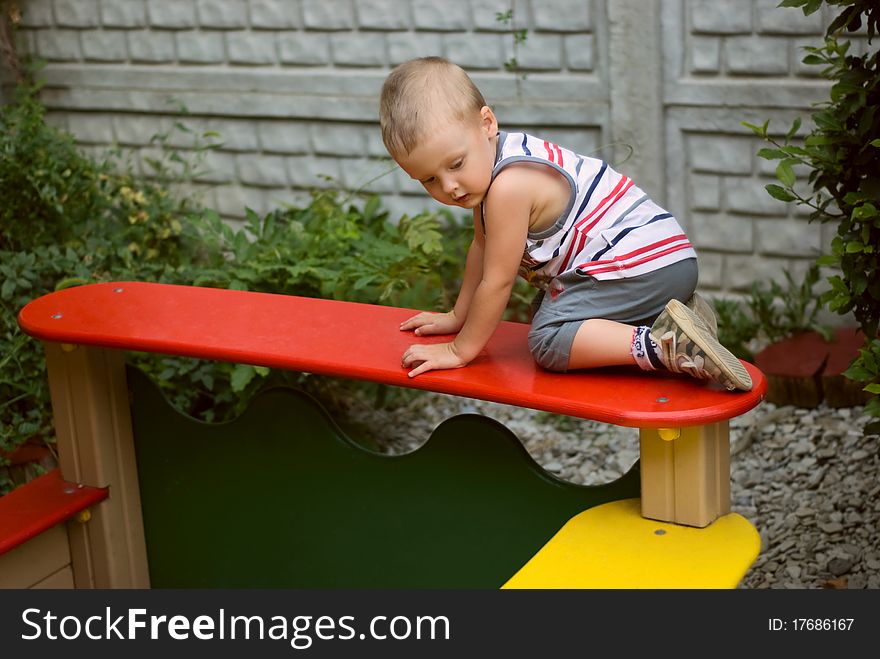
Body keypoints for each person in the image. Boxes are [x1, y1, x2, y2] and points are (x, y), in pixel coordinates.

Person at [379, 56, 751, 392]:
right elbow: (482, 247)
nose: (449, 186)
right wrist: (458, 316)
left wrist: (461, 351)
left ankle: (665, 344)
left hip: (644, 266)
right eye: (428, 179)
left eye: (455, 164)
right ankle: (677, 317)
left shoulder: (509, 185)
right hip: (660, 262)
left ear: (486, 123)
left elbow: (499, 282)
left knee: (549, 340)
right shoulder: (495, 164)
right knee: (550, 307)